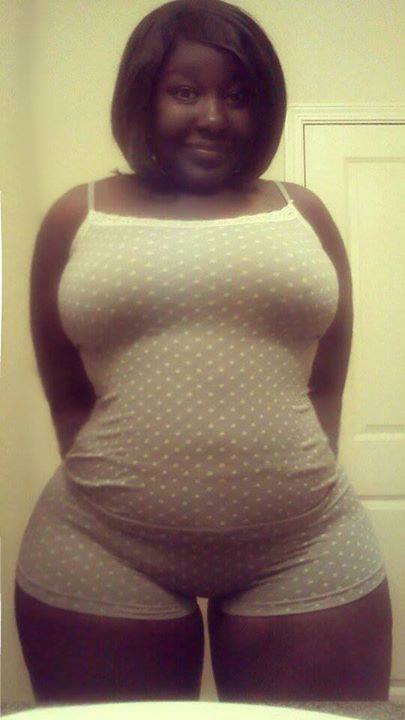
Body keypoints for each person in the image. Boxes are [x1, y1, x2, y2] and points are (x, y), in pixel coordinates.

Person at [15, 0, 392, 706]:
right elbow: (65, 386)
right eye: (185, 91)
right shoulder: (77, 214)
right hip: (102, 547)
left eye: (238, 95)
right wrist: (130, 493)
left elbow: (326, 379)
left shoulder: (302, 212)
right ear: (143, 96)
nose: (214, 117)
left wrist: (286, 491)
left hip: (304, 544)